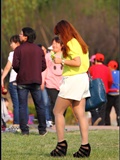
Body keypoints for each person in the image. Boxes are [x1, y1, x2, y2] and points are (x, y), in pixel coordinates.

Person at [50, 20, 91, 158]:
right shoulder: (80, 42)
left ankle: (61, 145)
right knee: (80, 114)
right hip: (82, 78)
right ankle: (85, 147)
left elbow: (77, 62)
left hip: (73, 80)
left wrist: (61, 61)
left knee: (57, 111)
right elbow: (81, 62)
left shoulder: (71, 43)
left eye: (59, 33)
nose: (59, 37)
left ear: (64, 32)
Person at [12, 27, 47, 135]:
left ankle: (24, 130)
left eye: (21, 34)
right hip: (36, 80)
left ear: (26, 37)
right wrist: (36, 71)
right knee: (39, 105)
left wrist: (21, 71)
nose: (19, 35)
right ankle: (42, 129)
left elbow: (15, 65)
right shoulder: (39, 50)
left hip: (22, 80)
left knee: (22, 105)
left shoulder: (18, 50)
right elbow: (44, 66)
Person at [1, 35, 23, 132]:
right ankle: (23, 124)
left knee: (16, 104)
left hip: (14, 80)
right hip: (24, 81)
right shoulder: (25, 53)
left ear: (17, 43)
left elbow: (7, 67)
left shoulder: (13, 53)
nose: (10, 45)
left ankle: (16, 124)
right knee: (23, 103)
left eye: (12, 43)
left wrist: (2, 77)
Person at [43, 36, 65, 126]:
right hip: (51, 82)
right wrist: (42, 81)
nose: (54, 45)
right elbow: (44, 69)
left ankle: (61, 121)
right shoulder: (48, 56)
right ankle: (55, 122)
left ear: (62, 45)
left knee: (64, 103)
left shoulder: (66, 55)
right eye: (53, 43)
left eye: (57, 43)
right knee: (54, 102)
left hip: (63, 83)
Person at [89, 53, 113, 125]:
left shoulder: (92, 68)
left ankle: (95, 119)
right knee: (103, 109)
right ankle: (101, 124)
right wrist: (108, 87)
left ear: (95, 60)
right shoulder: (107, 69)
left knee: (93, 107)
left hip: (94, 90)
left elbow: (89, 78)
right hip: (104, 90)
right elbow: (110, 80)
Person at [38, 44, 52, 128]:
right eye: (42, 50)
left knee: (50, 102)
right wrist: (42, 83)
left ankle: (49, 119)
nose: (44, 51)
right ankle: (47, 119)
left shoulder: (49, 58)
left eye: (44, 49)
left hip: (51, 82)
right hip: (42, 83)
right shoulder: (38, 61)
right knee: (45, 102)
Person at [105, 60, 120, 126]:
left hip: (110, 94)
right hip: (118, 94)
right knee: (118, 111)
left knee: (107, 111)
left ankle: (107, 124)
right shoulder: (119, 73)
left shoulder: (108, 73)